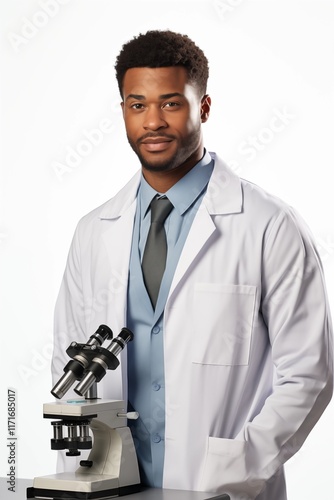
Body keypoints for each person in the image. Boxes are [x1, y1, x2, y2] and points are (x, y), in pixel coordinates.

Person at [52, 30, 333, 499]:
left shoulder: (269, 226)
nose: (153, 122)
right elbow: (69, 356)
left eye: (171, 103)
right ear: (122, 110)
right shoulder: (94, 231)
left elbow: (309, 371)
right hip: (113, 486)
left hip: (222, 490)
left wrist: (237, 468)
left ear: (203, 107)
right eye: (137, 105)